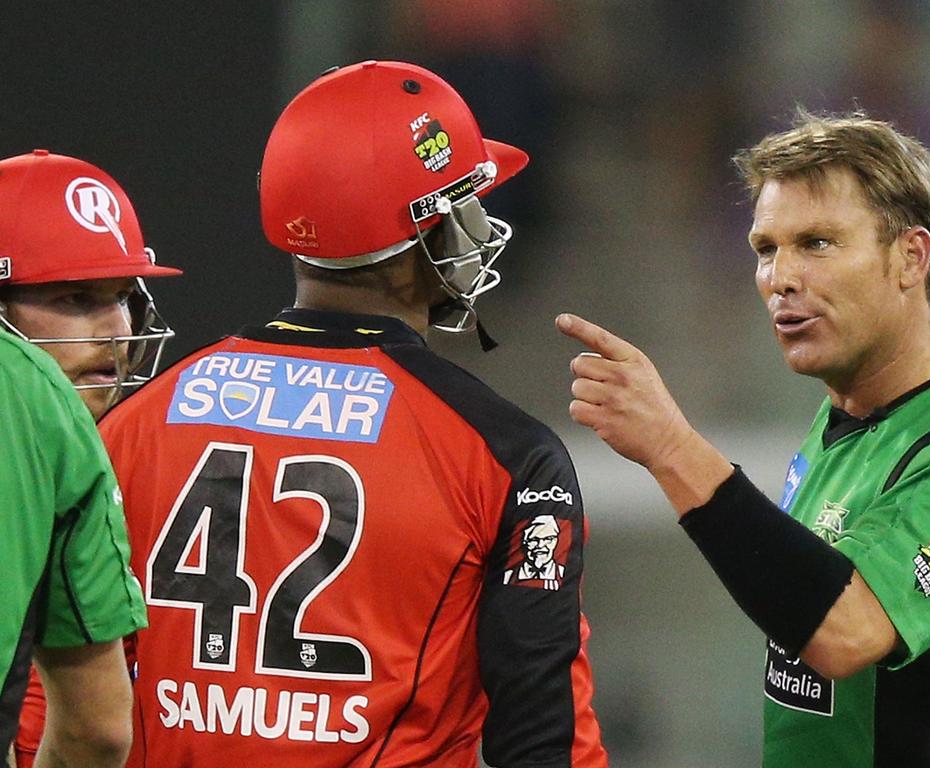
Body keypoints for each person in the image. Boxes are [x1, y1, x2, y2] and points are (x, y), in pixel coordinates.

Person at [97, 60, 607, 767]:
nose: (477, 226)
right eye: (462, 205)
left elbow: (59, 692)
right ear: (422, 235)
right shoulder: (502, 454)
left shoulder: (131, 425)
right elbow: (544, 740)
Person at [557, 110, 930, 767]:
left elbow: (845, 634)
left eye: (818, 243)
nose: (781, 277)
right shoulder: (856, 404)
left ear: (911, 257)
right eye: (765, 249)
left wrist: (670, 447)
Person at [0, 149, 180, 766]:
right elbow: (96, 731)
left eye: (123, 295)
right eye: (76, 298)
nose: (117, 330)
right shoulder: (55, 421)